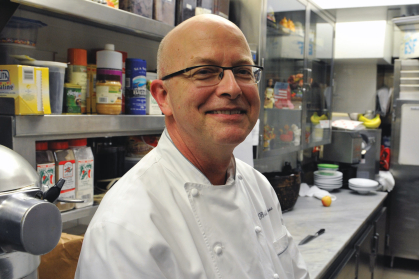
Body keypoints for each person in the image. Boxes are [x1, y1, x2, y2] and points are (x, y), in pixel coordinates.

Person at [76, 14, 309, 279]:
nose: (232, 88)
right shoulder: (124, 228)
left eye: (243, 71)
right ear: (163, 97)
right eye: (205, 72)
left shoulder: (259, 186)